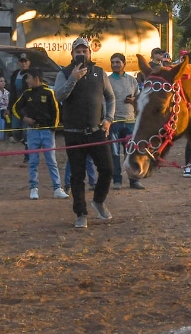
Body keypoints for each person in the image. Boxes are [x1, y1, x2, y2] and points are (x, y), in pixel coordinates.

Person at [54, 37, 115, 229]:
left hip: (97, 131)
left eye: (84, 51)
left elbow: (110, 97)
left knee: (107, 169)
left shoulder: (99, 72)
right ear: (72, 54)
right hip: (74, 132)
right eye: (78, 51)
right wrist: (74, 78)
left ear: (90, 52)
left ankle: (98, 200)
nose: (82, 54)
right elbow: (59, 95)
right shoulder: (63, 73)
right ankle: (81, 213)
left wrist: (109, 119)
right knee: (77, 175)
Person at [15, 71, 67, 200]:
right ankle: (34, 188)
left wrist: (53, 129)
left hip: (47, 132)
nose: (27, 81)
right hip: (32, 131)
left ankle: (57, 188)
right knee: (33, 161)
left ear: (36, 78)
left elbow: (56, 111)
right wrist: (24, 118)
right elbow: (15, 107)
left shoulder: (48, 92)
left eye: (29, 78)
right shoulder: (27, 94)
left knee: (52, 161)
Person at [107, 53, 144, 190]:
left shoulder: (132, 81)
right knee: (115, 154)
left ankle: (134, 180)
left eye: (118, 62)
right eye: (113, 62)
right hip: (114, 122)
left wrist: (134, 100)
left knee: (131, 153)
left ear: (124, 64)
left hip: (130, 122)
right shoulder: (107, 80)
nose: (115, 64)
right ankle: (117, 180)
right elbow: (104, 100)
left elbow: (139, 98)